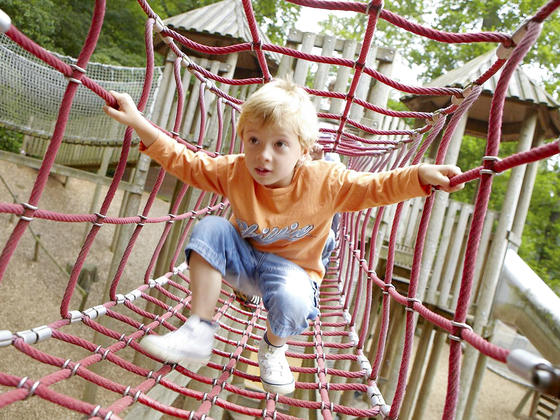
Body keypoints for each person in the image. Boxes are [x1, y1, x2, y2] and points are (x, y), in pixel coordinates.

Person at [103, 79, 463, 395]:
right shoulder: (235, 170)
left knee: (294, 298)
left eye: (280, 145)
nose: (263, 155)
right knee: (210, 228)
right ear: (242, 138)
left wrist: (419, 175)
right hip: (244, 259)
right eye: (255, 140)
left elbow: (376, 187)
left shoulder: (327, 180)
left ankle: (273, 347)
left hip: (293, 270)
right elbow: (186, 161)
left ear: (304, 150)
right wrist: (138, 122)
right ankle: (199, 329)